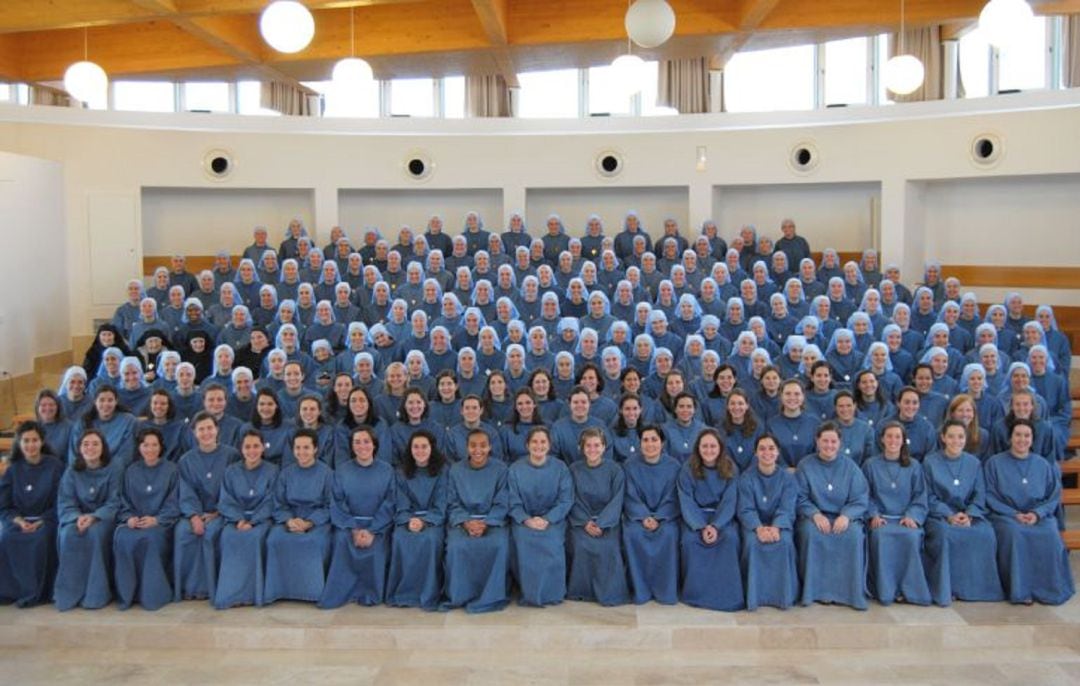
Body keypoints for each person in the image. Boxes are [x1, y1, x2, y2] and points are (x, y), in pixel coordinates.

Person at [984, 419, 1074, 605]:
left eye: (1027, 436)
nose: (1022, 439)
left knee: (1050, 534)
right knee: (1015, 534)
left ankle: (1049, 589)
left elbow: (1052, 496)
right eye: (1018, 435)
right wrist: (1012, 514)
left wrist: (1037, 514)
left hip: (1038, 517)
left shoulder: (1043, 465)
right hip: (1005, 517)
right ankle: (1020, 590)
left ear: (1032, 439)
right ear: (1010, 438)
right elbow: (989, 495)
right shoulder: (994, 463)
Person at [922, 421, 1005, 606]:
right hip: (939, 516)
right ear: (943, 437)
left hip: (969, 515)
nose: (955, 441)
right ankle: (947, 588)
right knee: (945, 535)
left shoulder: (974, 463)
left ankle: (978, 589)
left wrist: (969, 514)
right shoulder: (930, 462)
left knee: (986, 534)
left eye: (960, 437)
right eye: (951, 436)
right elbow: (928, 496)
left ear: (965, 439)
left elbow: (979, 493)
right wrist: (949, 515)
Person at [319, 426, 396, 608]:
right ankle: (346, 591)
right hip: (348, 525)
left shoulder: (387, 471)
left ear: (374, 445)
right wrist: (354, 529)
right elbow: (337, 502)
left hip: (378, 526)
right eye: (357, 442)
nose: (362, 446)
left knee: (376, 548)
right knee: (342, 542)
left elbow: (390, 502)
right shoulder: (342, 471)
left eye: (366, 441)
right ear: (351, 446)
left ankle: (371, 592)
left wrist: (371, 530)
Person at [795, 422, 870, 610]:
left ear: (839, 443)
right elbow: (799, 497)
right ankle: (815, 592)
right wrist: (814, 514)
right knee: (812, 535)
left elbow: (860, 498)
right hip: (814, 517)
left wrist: (846, 516)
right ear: (817, 442)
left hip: (843, 516)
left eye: (833, 441)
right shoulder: (805, 465)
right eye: (825, 441)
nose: (829, 445)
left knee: (853, 536)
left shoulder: (851, 467)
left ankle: (847, 593)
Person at [862, 422, 932, 606]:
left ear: (903, 441)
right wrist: (873, 515)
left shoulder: (914, 466)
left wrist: (912, 516)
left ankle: (908, 590)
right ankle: (884, 591)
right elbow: (864, 494)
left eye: (897, 437)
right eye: (889, 436)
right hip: (881, 520)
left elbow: (920, 495)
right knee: (880, 537)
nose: (893, 440)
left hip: (905, 519)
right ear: (882, 439)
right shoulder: (870, 465)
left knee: (910, 537)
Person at [441, 429, 511, 612]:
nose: (478, 450)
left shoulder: (500, 469)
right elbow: (451, 502)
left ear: (489, 447)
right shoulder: (456, 470)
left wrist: (486, 522)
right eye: (473, 445)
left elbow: (502, 501)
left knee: (498, 544)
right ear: (466, 448)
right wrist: (465, 521)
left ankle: (491, 595)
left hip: (492, 521)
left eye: (482, 445)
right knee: (457, 546)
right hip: (462, 522)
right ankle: (459, 594)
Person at [262, 429, 333, 604]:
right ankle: (278, 591)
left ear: (315, 449)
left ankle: (312, 592)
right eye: (298, 448)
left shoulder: (327, 473)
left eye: (306, 447)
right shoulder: (286, 473)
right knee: (275, 540)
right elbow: (278, 502)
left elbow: (331, 505)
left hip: (317, 521)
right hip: (290, 519)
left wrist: (309, 522)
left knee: (313, 542)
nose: (302, 452)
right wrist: (289, 520)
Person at [174, 412, 239, 601]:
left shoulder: (231, 455)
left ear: (217, 430)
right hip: (195, 512)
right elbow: (185, 491)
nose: (206, 433)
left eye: (209, 428)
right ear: (194, 433)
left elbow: (234, 486)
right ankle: (189, 589)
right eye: (201, 429)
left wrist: (219, 511)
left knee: (211, 534)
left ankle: (212, 587)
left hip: (222, 512)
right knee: (184, 533)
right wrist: (194, 515)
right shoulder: (186, 460)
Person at [113, 427, 180, 610]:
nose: (150, 449)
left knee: (150, 538)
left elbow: (174, 502)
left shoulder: (172, 470)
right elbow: (123, 501)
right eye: (145, 445)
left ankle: (153, 595)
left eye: (154, 445)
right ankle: (128, 595)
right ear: (139, 447)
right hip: (135, 522)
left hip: (161, 524)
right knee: (124, 537)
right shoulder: (130, 471)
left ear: (160, 447)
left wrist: (157, 520)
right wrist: (129, 519)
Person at [677, 429, 744, 611]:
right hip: (696, 518)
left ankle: (726, 596)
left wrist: (715, 526)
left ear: (720, 448)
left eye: (713, 446)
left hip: (722, 518)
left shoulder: (730, 468)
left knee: (730, 539)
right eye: (704, 446)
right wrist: (699, 526)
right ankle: (695, 594)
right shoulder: (688, 469)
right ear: (698, 448)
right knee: (690, 541)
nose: (709, 450)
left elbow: (730, 500)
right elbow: (686, 499)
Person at [0, 421, 65, 607]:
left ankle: (38, 592)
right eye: (26, 440)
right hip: (18, 520)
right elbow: (4, 505)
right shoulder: (13, 469)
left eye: (34, 440)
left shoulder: (55, 466)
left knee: (40, 540)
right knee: (6, 537)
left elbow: (60, 502)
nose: (30, 445)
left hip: (48, 520)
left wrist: (42, 521)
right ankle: (10, 591)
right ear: (19, 444)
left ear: (42, 441)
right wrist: (19, 520)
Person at [507, 426, 574, 607]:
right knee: (524, 541)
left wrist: (548, 519)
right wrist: (527, 519)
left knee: (551, 542)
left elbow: (565, 500)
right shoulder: (515, 469)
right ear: (527, 445)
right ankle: (530, 593)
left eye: (543, 441)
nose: (539, 445)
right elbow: (513, 501)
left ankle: (552, 593)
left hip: (553, 520)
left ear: (549, 445)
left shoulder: (560, 468)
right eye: (534, 442)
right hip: (524, 521)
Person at [54, 429, 119, 610]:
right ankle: (70, 593)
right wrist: (77, 517)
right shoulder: (71, 470)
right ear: (79, 448)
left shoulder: (114, 468)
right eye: (86, 444)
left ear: (103, 447)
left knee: (95, 535)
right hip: (76, 518)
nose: (90, 448)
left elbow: (115, 500)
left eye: (95, 444)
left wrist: (94, 516)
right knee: (68, 534)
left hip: (103, 519)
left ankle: (95, 594)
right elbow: (66, 500)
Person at [213, 430, 279, 609]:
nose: (252, 450)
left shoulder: (272, 471)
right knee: (229, 537)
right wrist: (238, 520)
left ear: (263, 448)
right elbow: (226, 500)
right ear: (241, 449)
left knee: (255, 538)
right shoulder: (231, 471)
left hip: (262, 519)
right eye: (247, 447)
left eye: (256, 446)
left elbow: (271, 500)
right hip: (235, 519)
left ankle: (253, 593)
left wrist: (254, 521)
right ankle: (231, 593)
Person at [567, 428, 630, 606]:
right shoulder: (573, 470)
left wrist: (602, 523)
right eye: (588, 445)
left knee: (608, 547)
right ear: (581, 447)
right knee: (581, 545)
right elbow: (572, 498)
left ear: (604, 447)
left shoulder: (614, 469)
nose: (592, 449)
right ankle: (582, 591)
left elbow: (617, 499)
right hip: (581, 522)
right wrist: (585, 522)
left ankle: (611, 592)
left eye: (597, 445)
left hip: (608, 522)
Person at [737, 433, 799, 611]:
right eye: (762, 449)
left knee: (784, 543)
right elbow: (746, 508)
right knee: (752, 544)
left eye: (771, 448)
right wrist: (758, 528)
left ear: (778, 452)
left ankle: (783, 596)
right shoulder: (746, 478)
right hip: (753, 526)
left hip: (780, 525)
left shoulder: (788, 478)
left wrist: (776, 527)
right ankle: (754, 596)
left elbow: (787, 507)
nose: (767, 452)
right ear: (755, 453)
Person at [386, 431, 447, 610]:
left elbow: (441, 501)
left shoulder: (443, 471)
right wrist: (408, 519)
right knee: (400, 538)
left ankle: (427, 593)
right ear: (410, 450)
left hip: (433, 520)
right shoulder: (401, 472)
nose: (420, 450)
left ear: (432, 448)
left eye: (424, 446)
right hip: (408, 519)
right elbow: (401, 502)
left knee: (429, 540)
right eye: (416, 447)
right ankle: (403, 593)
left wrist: (425, 521)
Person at [622, 425, 681, 604]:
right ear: (640, 444)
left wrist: (659, 517)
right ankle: (640, 590)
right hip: (638, 518)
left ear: (662, 443)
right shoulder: (629, 465)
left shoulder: (674, 466)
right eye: (645, 440)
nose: (650, 444)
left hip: (665, 517)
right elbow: (629, 495)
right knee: (633, 534)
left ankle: (665, 590)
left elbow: (674, 496)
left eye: (654, 439)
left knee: (669, 534)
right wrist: (643, 516)